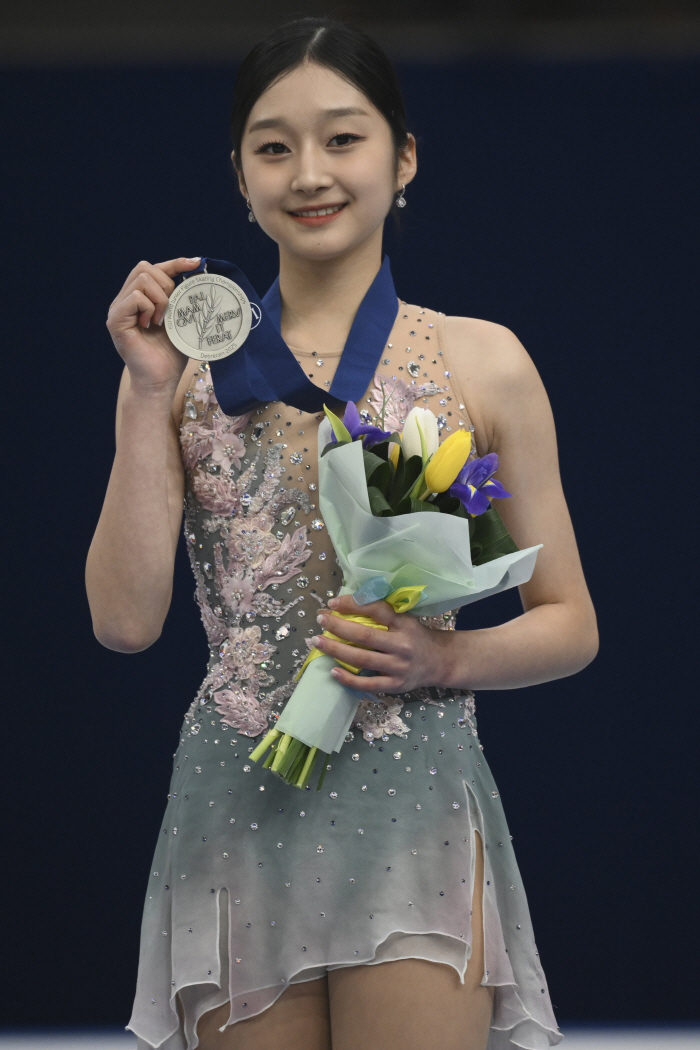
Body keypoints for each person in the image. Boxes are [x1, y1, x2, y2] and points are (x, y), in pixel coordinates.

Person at [86, 16, 598, 1050]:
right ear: (239, 175)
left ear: (402, 158)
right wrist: (144, 396)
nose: (308, 172)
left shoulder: (482, 360)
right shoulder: (182, 374)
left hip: (409, 802)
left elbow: (570, 622)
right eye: (273, 146)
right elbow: (125, 620)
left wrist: (443, 652)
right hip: (237, 802)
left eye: (343, 138)